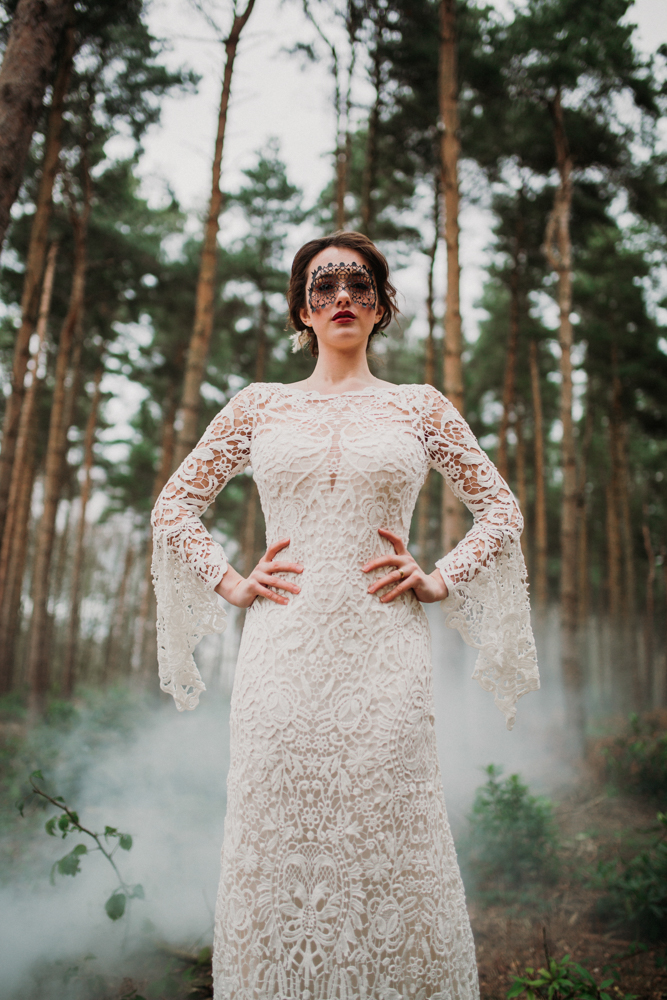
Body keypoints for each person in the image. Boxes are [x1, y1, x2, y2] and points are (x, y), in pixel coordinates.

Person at [151, 231, 539, 1000]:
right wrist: (231, 582)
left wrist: (438, 578)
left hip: (384, 656)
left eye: (358, 285)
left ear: (381, 305)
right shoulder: (258, 406)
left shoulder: (418, 407)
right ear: (301, 307)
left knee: (384, 835)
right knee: (280, 838)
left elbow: (499, 508)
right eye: (322, 286)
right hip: (281, 655)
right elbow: (173, 509)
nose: (341, 299)